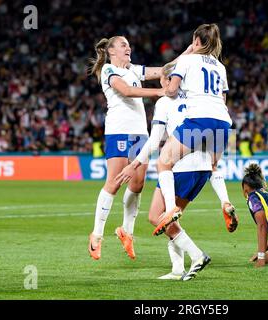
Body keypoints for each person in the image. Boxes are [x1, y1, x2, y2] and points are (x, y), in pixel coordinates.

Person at [116, 63, 238, 280]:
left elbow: (154, 142)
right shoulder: (196, 99)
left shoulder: (164, 102)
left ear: (168, 80)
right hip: (202, 168)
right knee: (171, 221)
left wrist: (133, 164)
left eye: (163, 80)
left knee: (156, 216)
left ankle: (197, 255)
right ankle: (177, 269)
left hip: (179, 166)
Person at [87, 36, 190, 261]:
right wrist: (160, 92)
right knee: (114, 182)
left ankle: (127, 231)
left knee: (137, 183)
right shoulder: (108, 70)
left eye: (129, 45)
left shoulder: (133, 69)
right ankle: (96, 234)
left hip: (139, 133)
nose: (128, 48)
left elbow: (164, 69)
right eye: (123, 45)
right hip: (118, 131)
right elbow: (126, 91)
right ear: (111, 51)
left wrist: (189, 51)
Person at [154, 24, 233, 236]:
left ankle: (171, 208)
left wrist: (167, 86)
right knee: (212, 165)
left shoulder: (187, 60)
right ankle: (225, 202)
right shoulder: (220, 67)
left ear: (196, 41)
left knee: (163, 162)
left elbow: (171, 89)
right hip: (223, 122)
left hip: (199, 118)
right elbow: (223, 99)